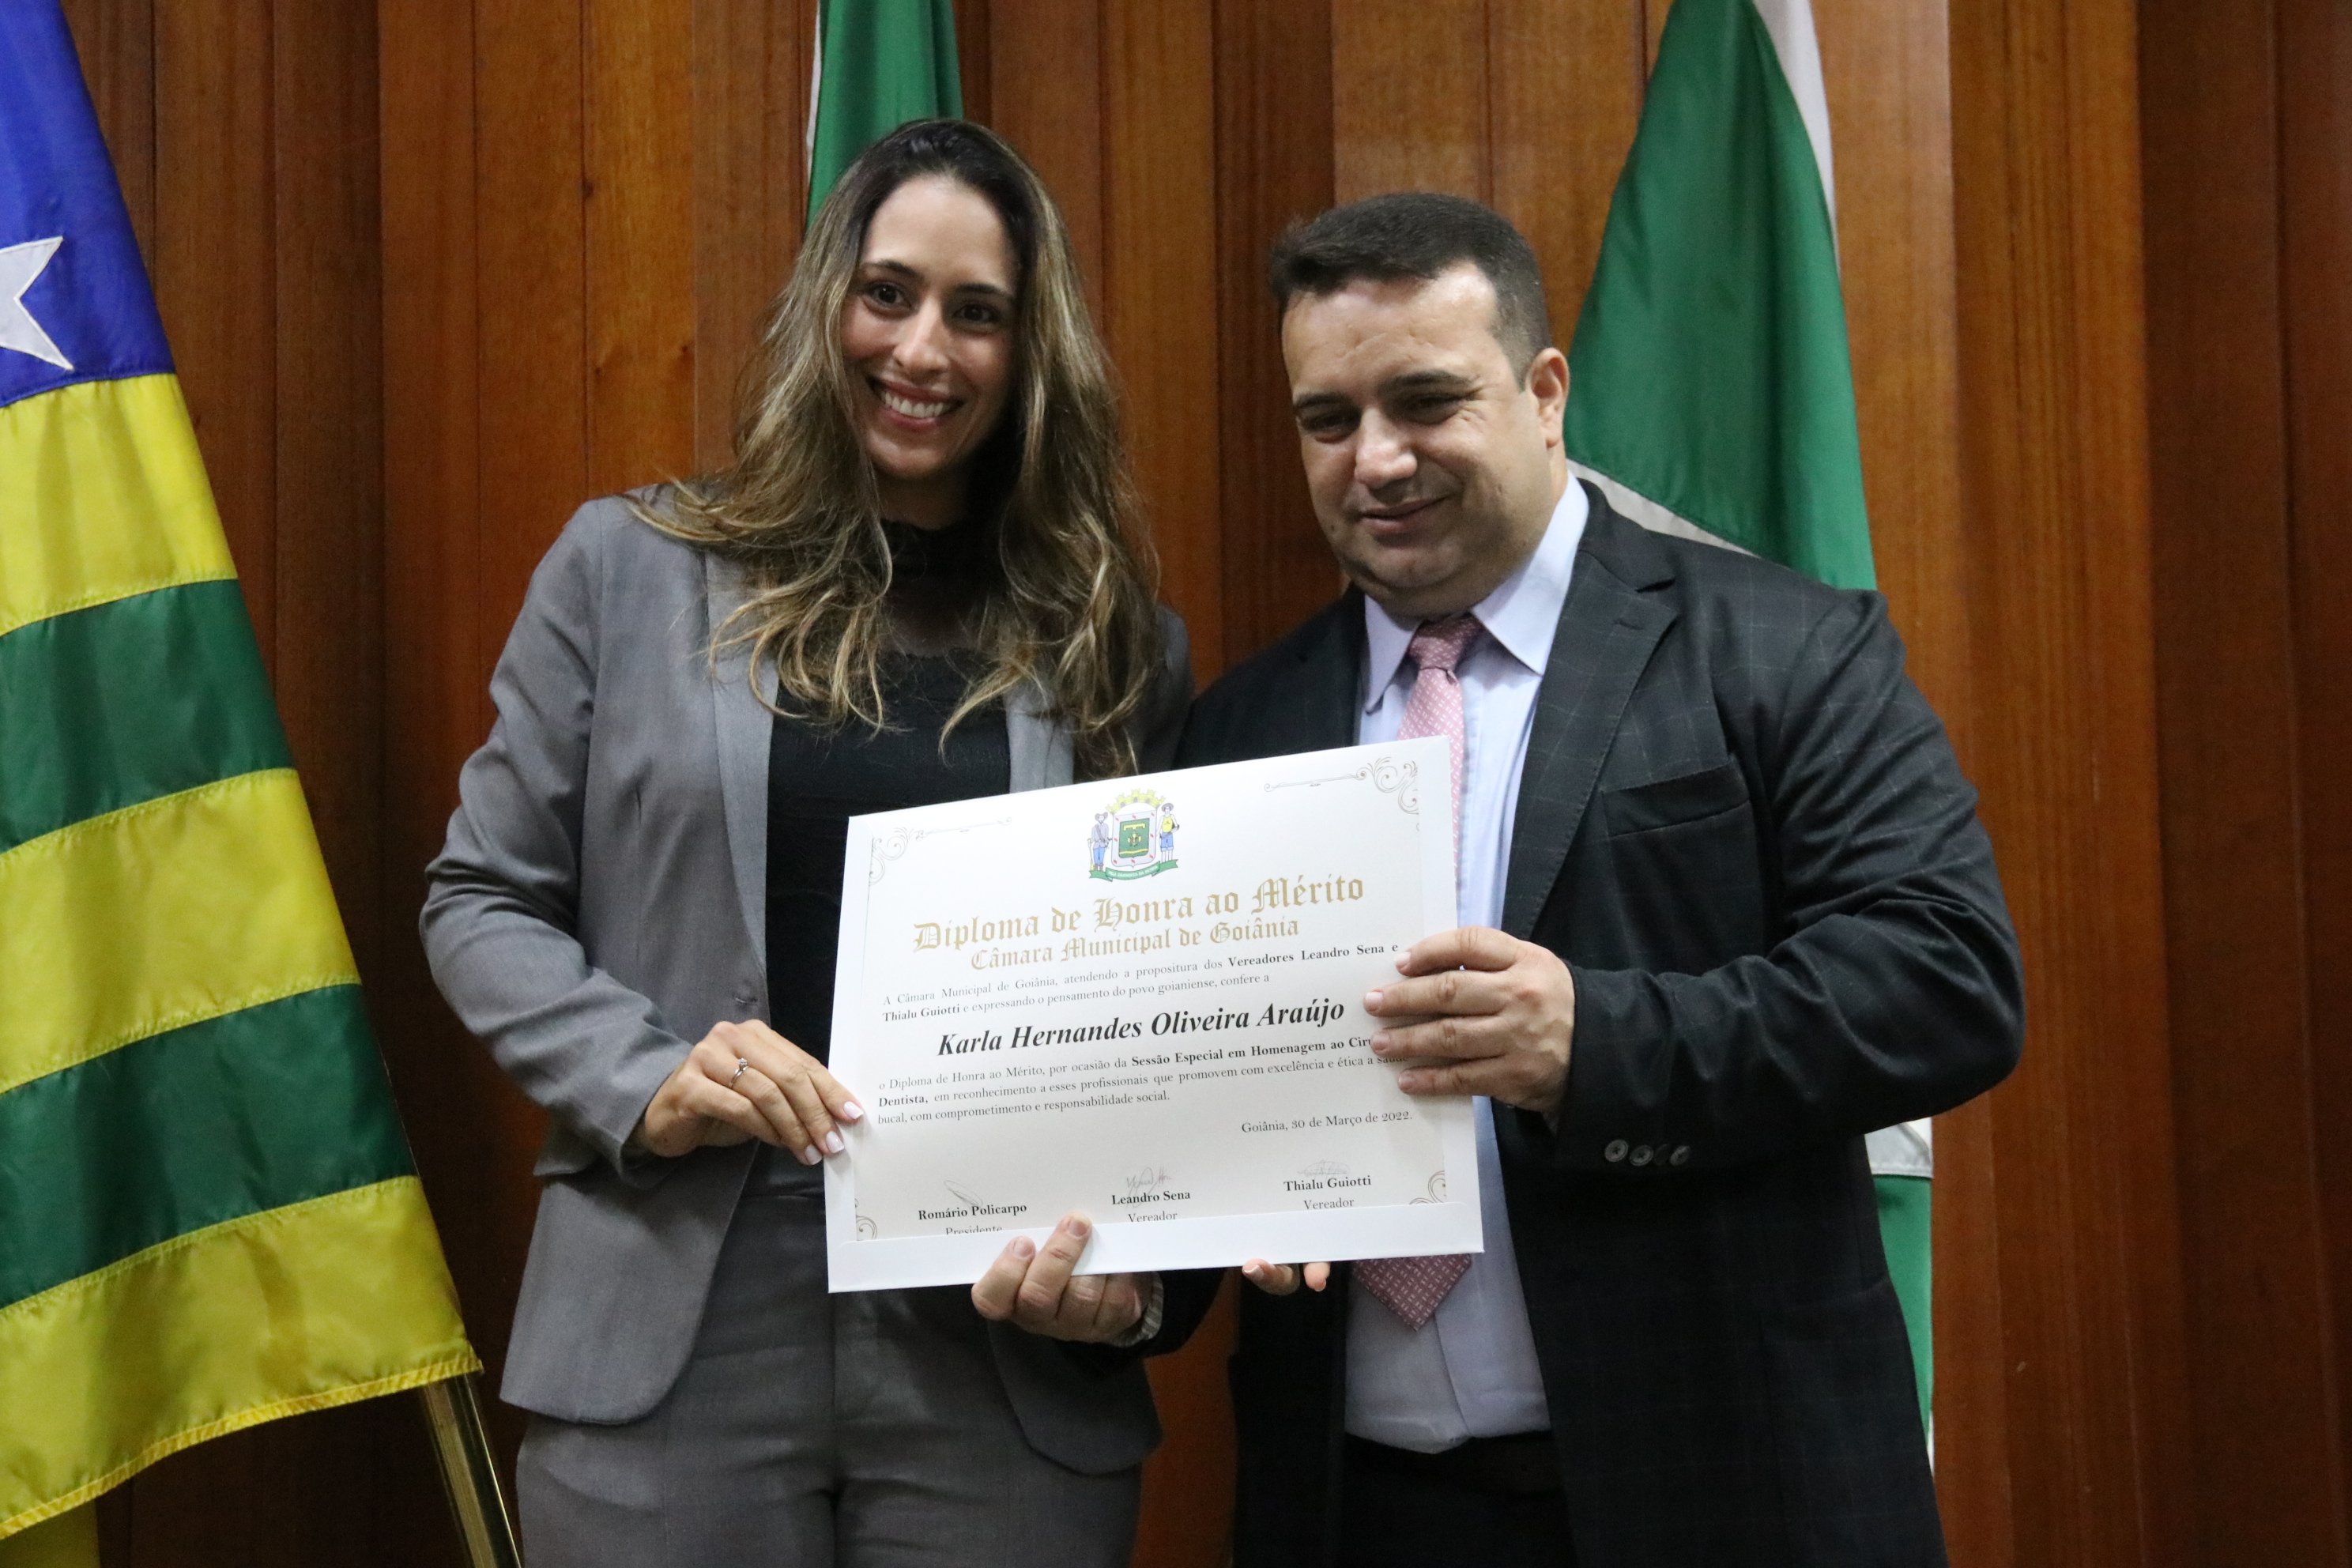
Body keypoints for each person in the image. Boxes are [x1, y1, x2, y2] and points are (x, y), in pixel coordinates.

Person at [1180, 193, 2022, 1566]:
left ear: (1545, 393)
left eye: (1426, 402)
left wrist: (1595, 1045)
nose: (1376, 459)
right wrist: (1143, 1261)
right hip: (1358, 1513)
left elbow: (1946, 981)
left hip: (1729, 1490)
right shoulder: (1239, 727)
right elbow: (1195, 1098)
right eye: (1328, 420)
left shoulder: (1779, 648)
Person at [422, 119, 1218, 1567]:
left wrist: (1158, 1258)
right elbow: (480, 899)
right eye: (888, 293)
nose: (923, 349)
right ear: (825, 307)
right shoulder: (626, 569)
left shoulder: (1114, 645)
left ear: (1031, 354)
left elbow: (1167, 990)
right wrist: (648, 1076)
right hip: (678, 1303)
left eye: (978, 313)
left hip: (995, 1322)